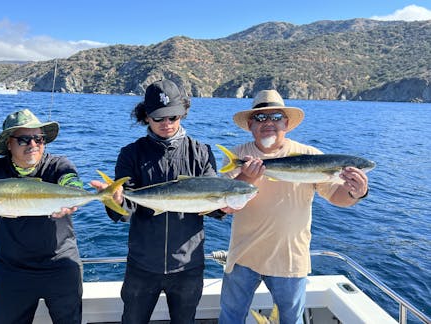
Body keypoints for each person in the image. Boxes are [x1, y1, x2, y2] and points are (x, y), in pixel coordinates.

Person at [218, 89, 370, 324]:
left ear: (287, 123)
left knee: (291, 320)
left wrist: (356, 192)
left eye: (276, 117)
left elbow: (336, 197)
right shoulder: (239, 155)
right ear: (250, 124)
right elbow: (226, 206)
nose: (268, 123)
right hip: (243, 256)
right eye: (260, 117)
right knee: (231, 318)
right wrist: (247, 178)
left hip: (290, 259)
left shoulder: (311, 155)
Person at [91, 79, 226, 323]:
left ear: (183, 113)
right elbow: (125, 210)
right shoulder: (131, 153)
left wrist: (224, 206)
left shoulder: (201, 152)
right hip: (142, 265)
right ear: (146, 117)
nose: (167, 124)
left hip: (188, 265)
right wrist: (117, 201)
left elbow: (211, 201)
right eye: (159, 118)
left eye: (173, 117)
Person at [0, 109, 83, 324]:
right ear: (8, 143)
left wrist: (76, 196)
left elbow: (70, 180)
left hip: (60, 266)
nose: (33, 144)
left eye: (38, 138)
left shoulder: (58, 165)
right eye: (24, 139)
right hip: (12, 272)